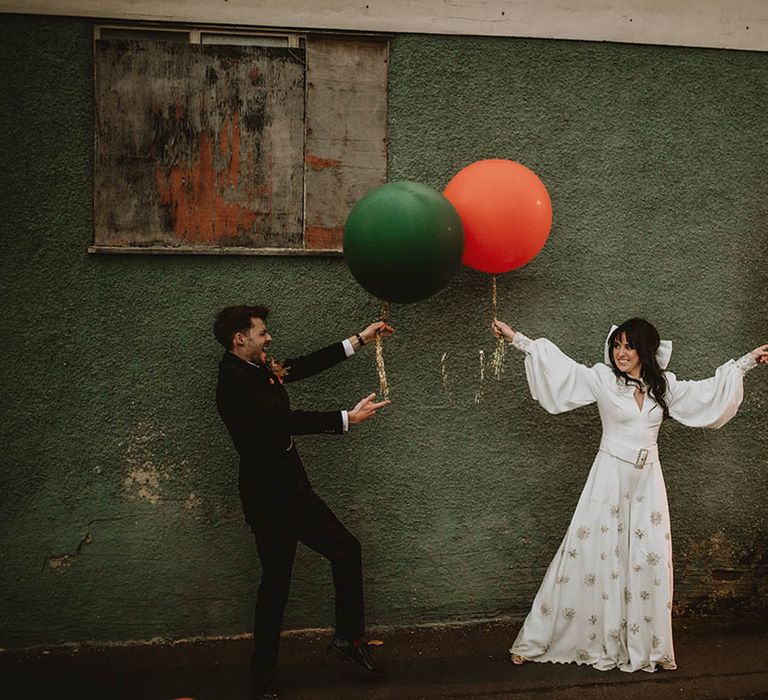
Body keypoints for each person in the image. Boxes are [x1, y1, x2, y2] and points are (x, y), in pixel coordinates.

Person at [491, 317, 767, 673]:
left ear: (645, 350)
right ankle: (537, 640)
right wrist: (517, 339)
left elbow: (707, 392)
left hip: (647, 483)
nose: (621, 353)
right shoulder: (603, 379)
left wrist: (747, 362)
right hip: (607, 478)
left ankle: (641, 643)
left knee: (646, 559)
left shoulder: (663, 386)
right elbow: (563, 370)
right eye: (617, 345)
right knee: (585, 553)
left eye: (629, 346)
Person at [214, 305, 394, 699]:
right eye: (263, 333)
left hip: (287, 487)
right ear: (239, 339)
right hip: (272, 495)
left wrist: (360, 339)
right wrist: (347, 418)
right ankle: (277, 669)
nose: (270, 338)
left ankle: (340, 643)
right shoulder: (234, 382)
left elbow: (301, 366)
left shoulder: (258, 366)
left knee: (315, 565)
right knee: (297, 572)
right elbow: (283, 421)